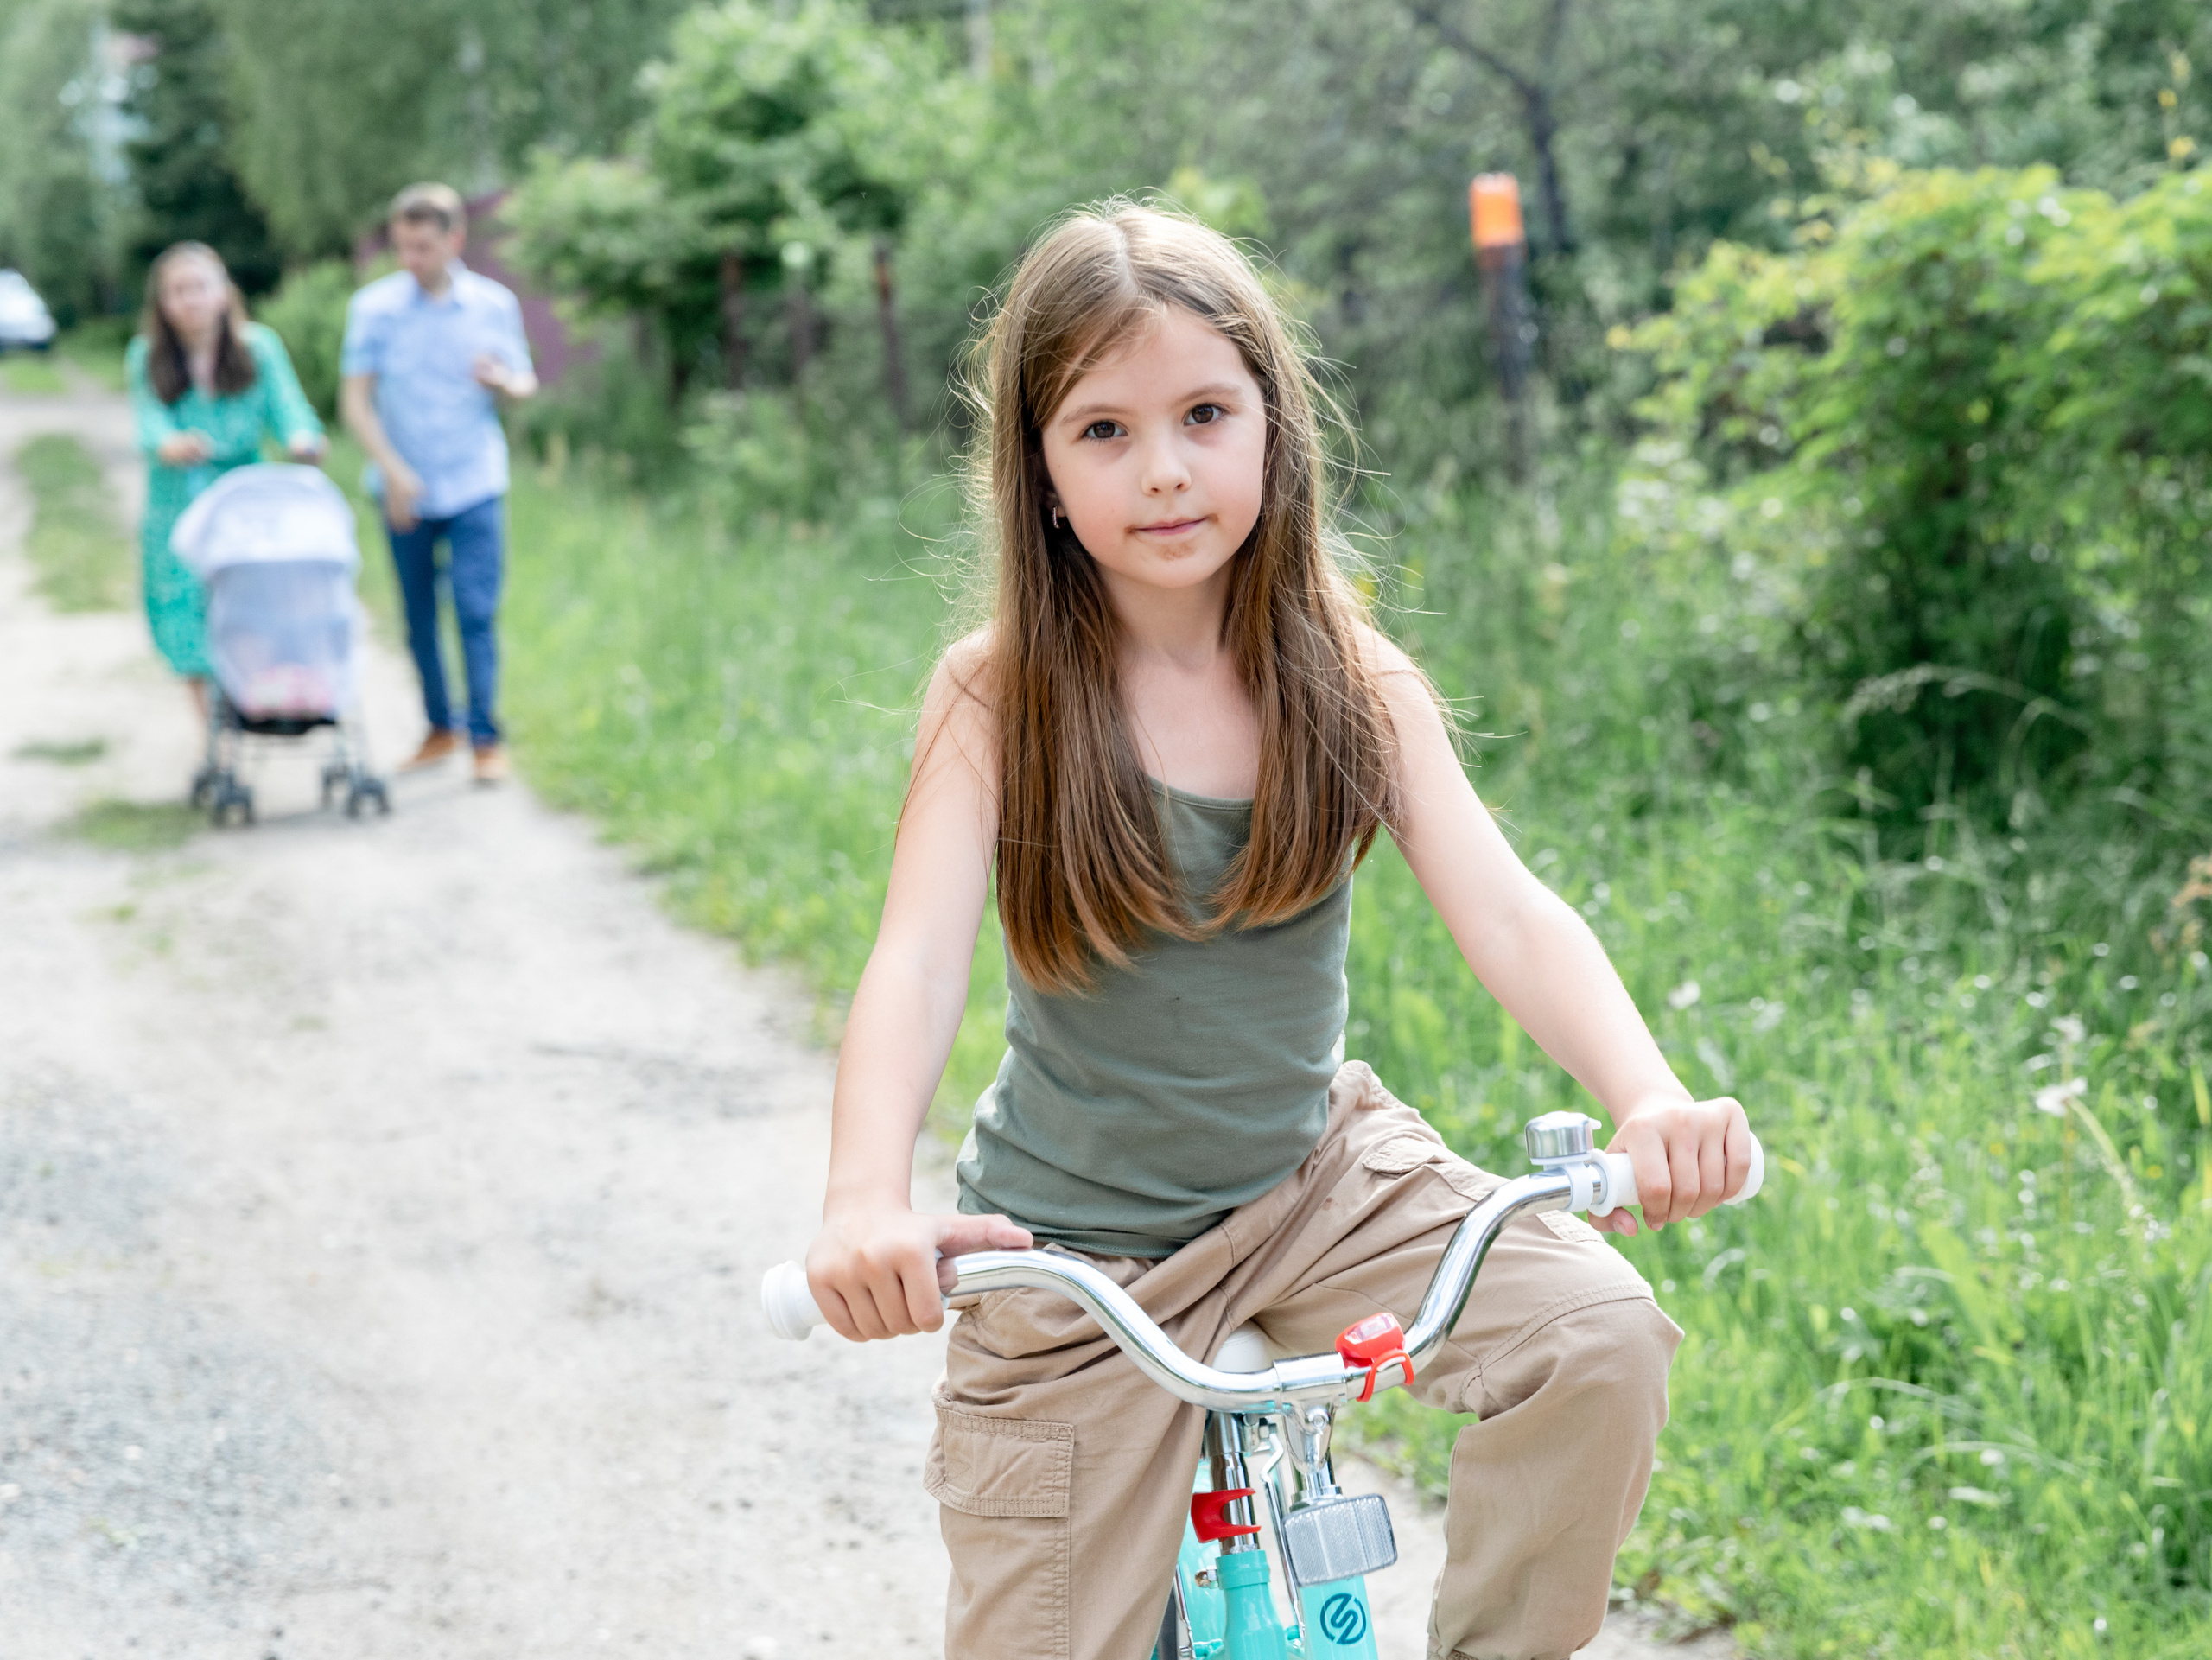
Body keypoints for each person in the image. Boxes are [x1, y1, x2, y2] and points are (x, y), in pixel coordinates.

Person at [804, 204, 1758, 1660]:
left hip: (1316, 1183)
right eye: (1104, 431)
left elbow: (1504, 905)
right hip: (1083, 1247)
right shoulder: (997, 694)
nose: (1166, 468)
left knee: (1598, 1338)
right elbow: (918, 956)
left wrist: (1648, 1094)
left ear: (1273, 426)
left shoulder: (1344, 674)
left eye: (1203, 413)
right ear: (1042, 473)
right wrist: (865, 1195)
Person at [340, 181, 537, 785]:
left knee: (476, 611)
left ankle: (485, 737)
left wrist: (502, 381)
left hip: (475, 479)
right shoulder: (374, 310)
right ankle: (439, 726)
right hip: (405, 487)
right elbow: (356, 401)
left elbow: (523, 384)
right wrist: (394, 473)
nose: (411, 259)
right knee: (418, 614)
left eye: (423, 246)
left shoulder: (493, 306)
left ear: (456, 239)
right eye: (402, 246)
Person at [128, 241, 326, 723]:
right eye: (177, 291)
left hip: (244, 506)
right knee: (184, 618)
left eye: (198, 287)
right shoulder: (146, 355)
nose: (189, 299)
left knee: (249, 611)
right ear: (163, 303)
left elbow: (289, 408)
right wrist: (170, 443)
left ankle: (252, 708)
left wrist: (303, 439)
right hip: (176, 506)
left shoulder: (258, 348)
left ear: (222, 294)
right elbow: (148, 420)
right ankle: (211, 734)